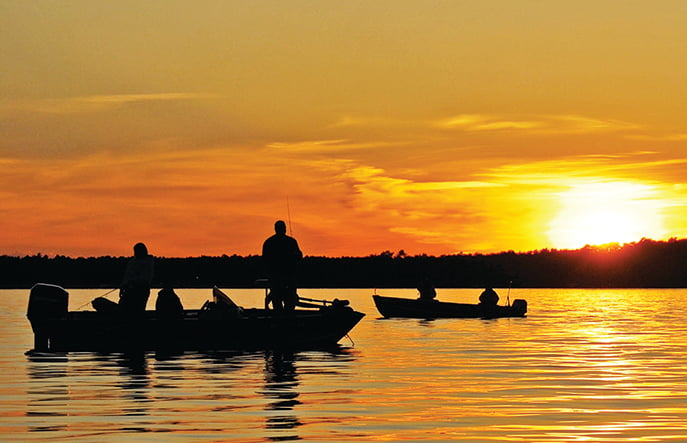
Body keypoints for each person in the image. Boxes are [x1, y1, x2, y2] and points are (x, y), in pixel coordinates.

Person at [262, 220, 303, 311]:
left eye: (282, 228)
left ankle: (282, 318)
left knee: (287, 303)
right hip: (279, 278)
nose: (282, 230)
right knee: (280, 303)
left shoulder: (269, 242)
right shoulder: (290, 242)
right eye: (281, 228)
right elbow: (266, 261)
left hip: (286, 277)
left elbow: (299, 256)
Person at [119, 242, 154, 314]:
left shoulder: (147, 263)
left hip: (141, 291)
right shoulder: (131, 263)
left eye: (137, 251)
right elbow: (126, 276)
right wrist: (123, 286)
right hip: (128, 291)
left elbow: (145, 279)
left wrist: (133, 283)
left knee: (137, 311)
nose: (136, 253)